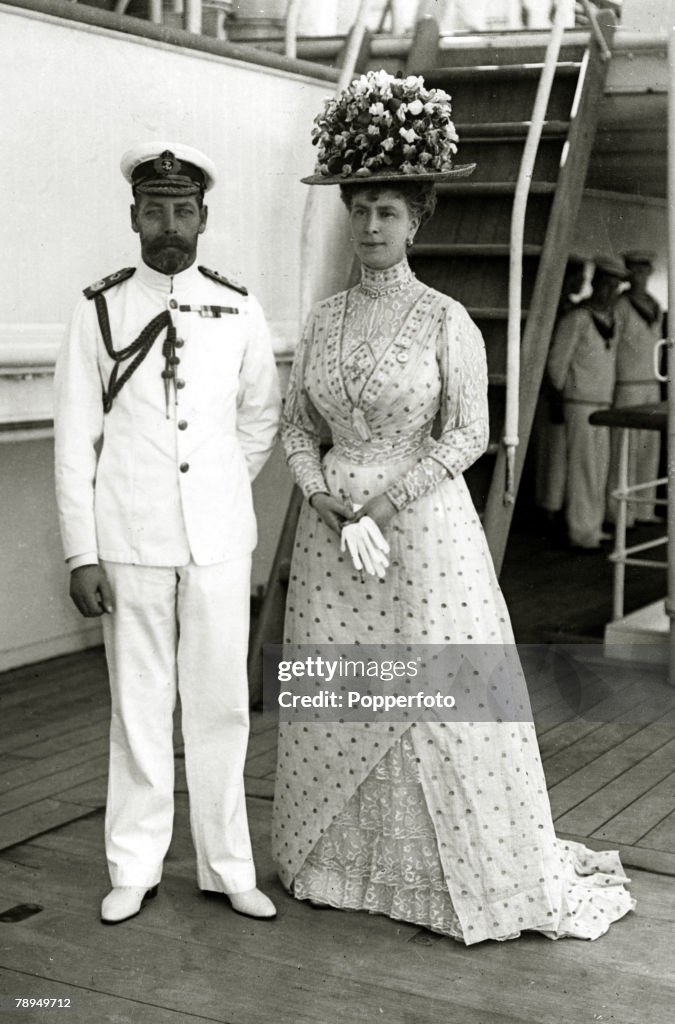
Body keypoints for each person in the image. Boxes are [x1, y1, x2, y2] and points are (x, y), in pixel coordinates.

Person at [271, 71, 634, 944]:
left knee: (435, 693)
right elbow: (294, 428)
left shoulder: (445, 322)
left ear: (417, 219)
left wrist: (383, 503)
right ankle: (336, 863)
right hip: (333, 541)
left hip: (419, 533)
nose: (369, 226)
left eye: (386, 211)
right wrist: (323, 497)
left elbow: (467, 434)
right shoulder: (321, 322)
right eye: (358, 208)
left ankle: (452, 874)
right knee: (342, 694)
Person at [54, 142, 281, 924]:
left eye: (183, 210)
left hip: (218, 541)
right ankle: (134, 865)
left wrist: (216, 488)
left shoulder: (239, 305)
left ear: (204, 218)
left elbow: (259, 416)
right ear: (133, 218)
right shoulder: (99, 309)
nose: (169, 225)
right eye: (155, 210)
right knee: (139, 708)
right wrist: (82, 551)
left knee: (221, 707)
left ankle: (227, 867)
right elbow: (74, 437)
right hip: (129, 542)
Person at [547, 256, 628, 550]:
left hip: (603, 404)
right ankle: (581, 531)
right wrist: (566, 393)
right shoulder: (577, 319)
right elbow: (557, 365)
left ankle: (592, 526)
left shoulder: (613, 319)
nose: (609, 291)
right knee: (582, 468)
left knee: (599, 467)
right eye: (605, 284)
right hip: (579, 403)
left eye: (615, 286)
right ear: (594, 284)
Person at [607, 250, 664, 525]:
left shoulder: (655, 305)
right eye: (635, 271)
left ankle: (645, 509)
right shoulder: (620, 305)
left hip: (651, 383)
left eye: (644, 271)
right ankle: (622, 514)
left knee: (648, 448)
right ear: (629, 274)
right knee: (625, 450)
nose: (639, 276)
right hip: (627, 384)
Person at [535, 255, 586, 528]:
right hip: (549, 391)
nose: (582, 283)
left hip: (563, 390)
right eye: (578, 277)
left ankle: (554, 506)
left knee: (559, 452)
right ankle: (548, 509)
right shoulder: (554, 309)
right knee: (551, 452)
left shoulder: (572, 308)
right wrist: (553, 392)